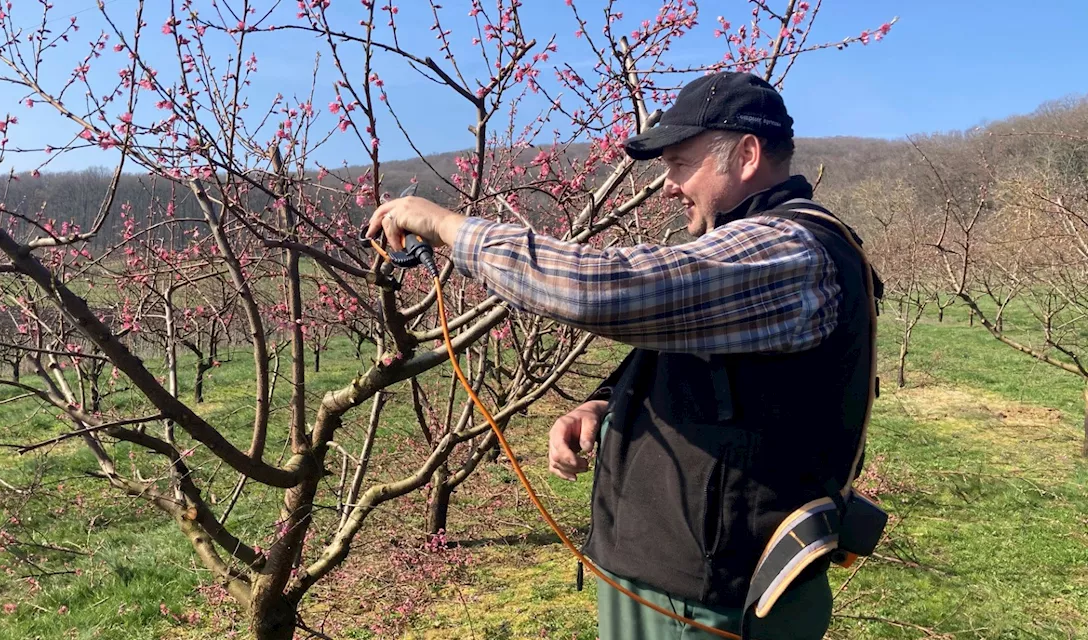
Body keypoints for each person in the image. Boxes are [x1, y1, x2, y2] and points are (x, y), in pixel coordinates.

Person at [366, 71, 878, 639]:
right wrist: (603, 404)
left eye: (680, 164)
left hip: (711, 600)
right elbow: (700, 359)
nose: (667, 187)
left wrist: (449, 228)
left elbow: (603, 288)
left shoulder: (788, 253)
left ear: (747, 155)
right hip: (675, 579)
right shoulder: (751, 252)